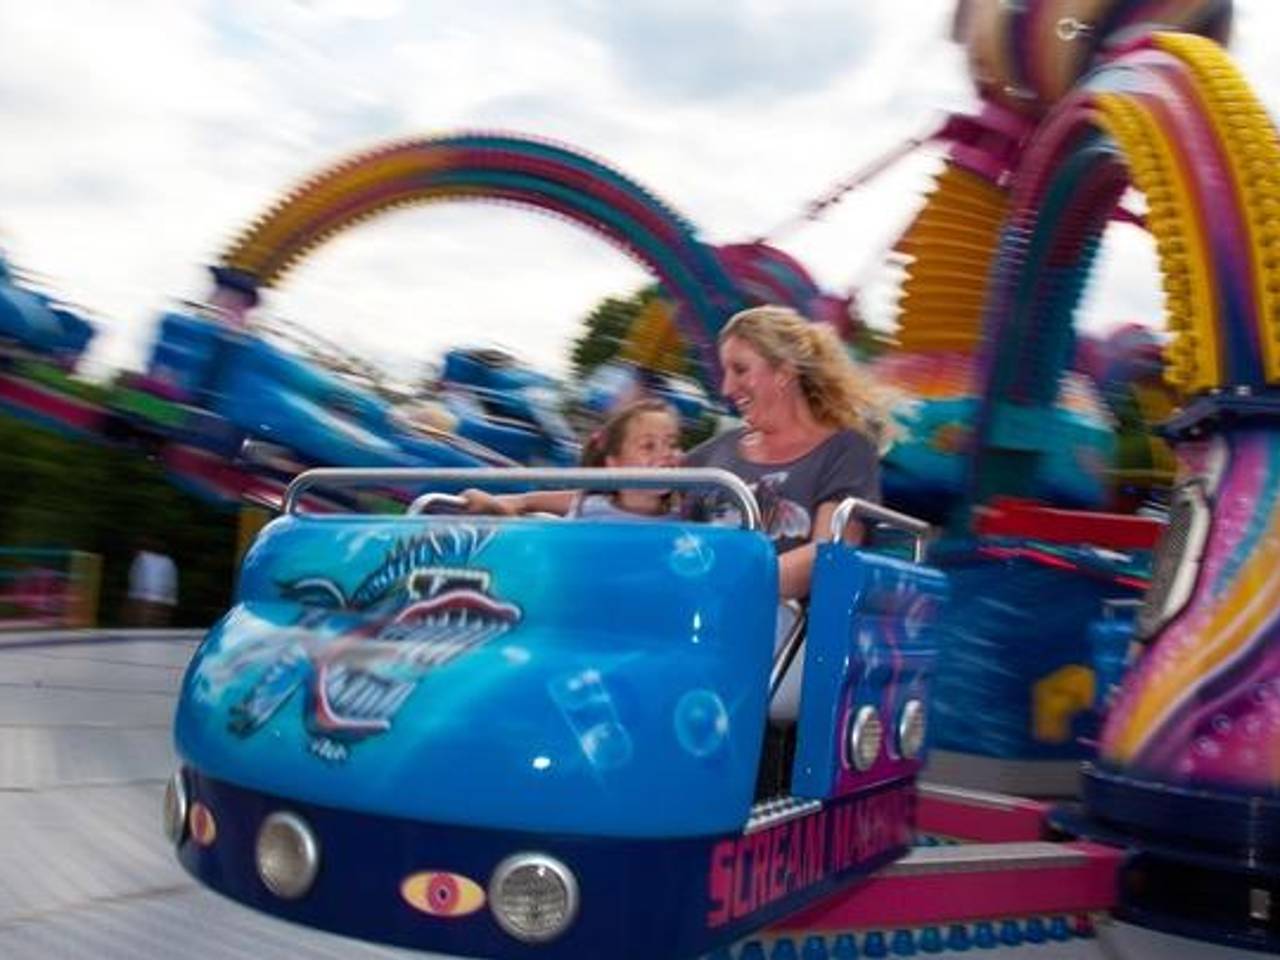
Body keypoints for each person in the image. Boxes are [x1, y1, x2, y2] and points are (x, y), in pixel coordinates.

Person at [684, 305, 885, 601]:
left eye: (740, 369)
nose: (726, 387)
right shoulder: (716, 451)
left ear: (784, 371)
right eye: (726, 372)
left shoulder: (846, 450)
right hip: (698, 615)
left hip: (783, 632)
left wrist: (729, 593)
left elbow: (829, 554)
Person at [459, 398, 682, 519]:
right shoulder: (588, 506)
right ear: (613, 463)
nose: (666, 453)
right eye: (649, 446)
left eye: (671, 444)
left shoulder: (687, 513)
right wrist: (495, 504)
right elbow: (524, 501)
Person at [126, 538, 178, 627]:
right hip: (166, 602)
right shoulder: (168, 561)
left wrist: (132, 602)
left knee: (140, 627)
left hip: (146, 600)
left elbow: (140, 582)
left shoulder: (142, 558)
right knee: (157, 629)